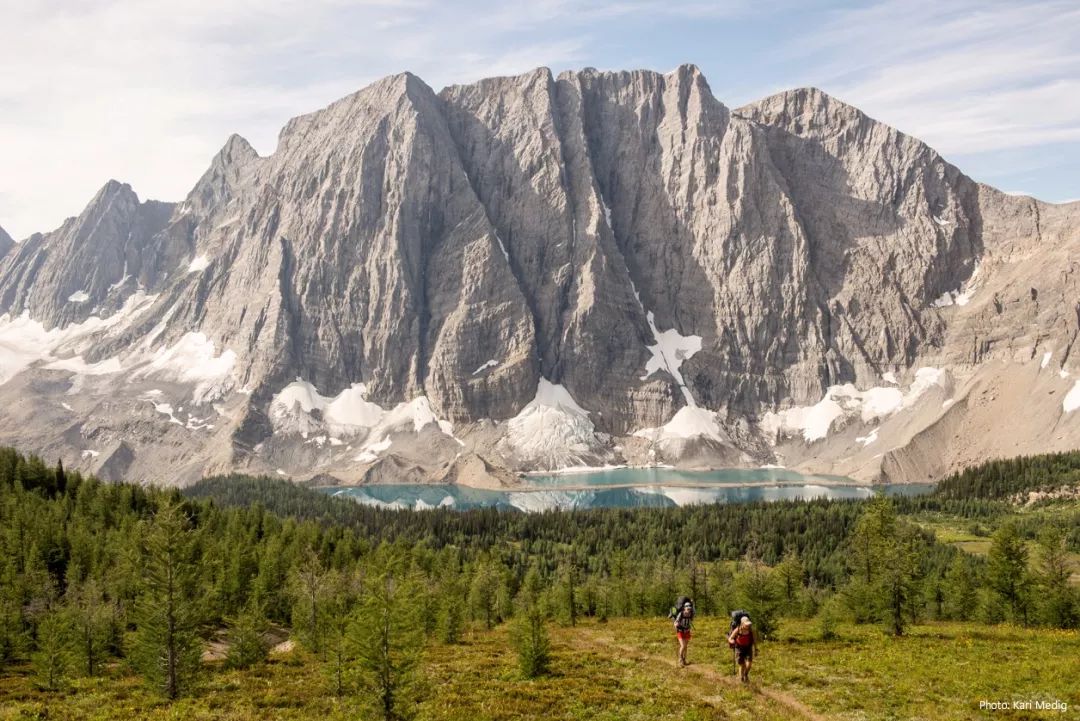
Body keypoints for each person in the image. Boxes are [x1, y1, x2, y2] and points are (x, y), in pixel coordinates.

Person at [727, 616, 755, 682]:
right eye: (746, 624)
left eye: (748, 624)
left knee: (749, 663)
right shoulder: (738, 629)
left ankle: (745, 674)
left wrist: (756, 648)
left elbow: (754, 640)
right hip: (739, 648)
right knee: (742, 664)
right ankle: (741, 679)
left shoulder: (751, 630)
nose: (748, 625)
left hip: (748, 647)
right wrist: (732, 641)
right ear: (742, 623)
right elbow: (730, 638)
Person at [673, 599, 693, 667]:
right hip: (680, 631)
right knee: (683, 646)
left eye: (689, 608)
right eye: (687, 608)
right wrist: (676, 624)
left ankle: (684, 660)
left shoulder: (691, 613)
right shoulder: (681, 613)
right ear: (684, 608)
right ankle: (680, 659)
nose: (688, 609)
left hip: (687, 631)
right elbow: (676, 621)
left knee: (686, 646)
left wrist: (692, 602)